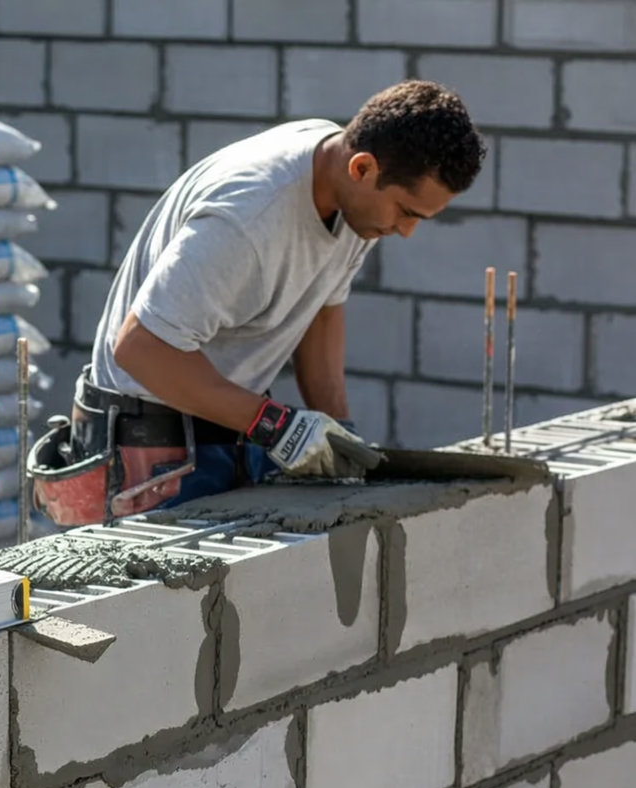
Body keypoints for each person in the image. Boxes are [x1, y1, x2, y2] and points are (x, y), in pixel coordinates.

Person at [29, 80, 486, 526]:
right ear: (362, 168)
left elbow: (321, 311)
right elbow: (138, 347)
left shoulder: (356, 200)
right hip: (148, 455)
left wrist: (338, 433)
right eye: (407, 212)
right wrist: (275, 426)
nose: (407, 231)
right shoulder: (247, 218)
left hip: (224, 431)